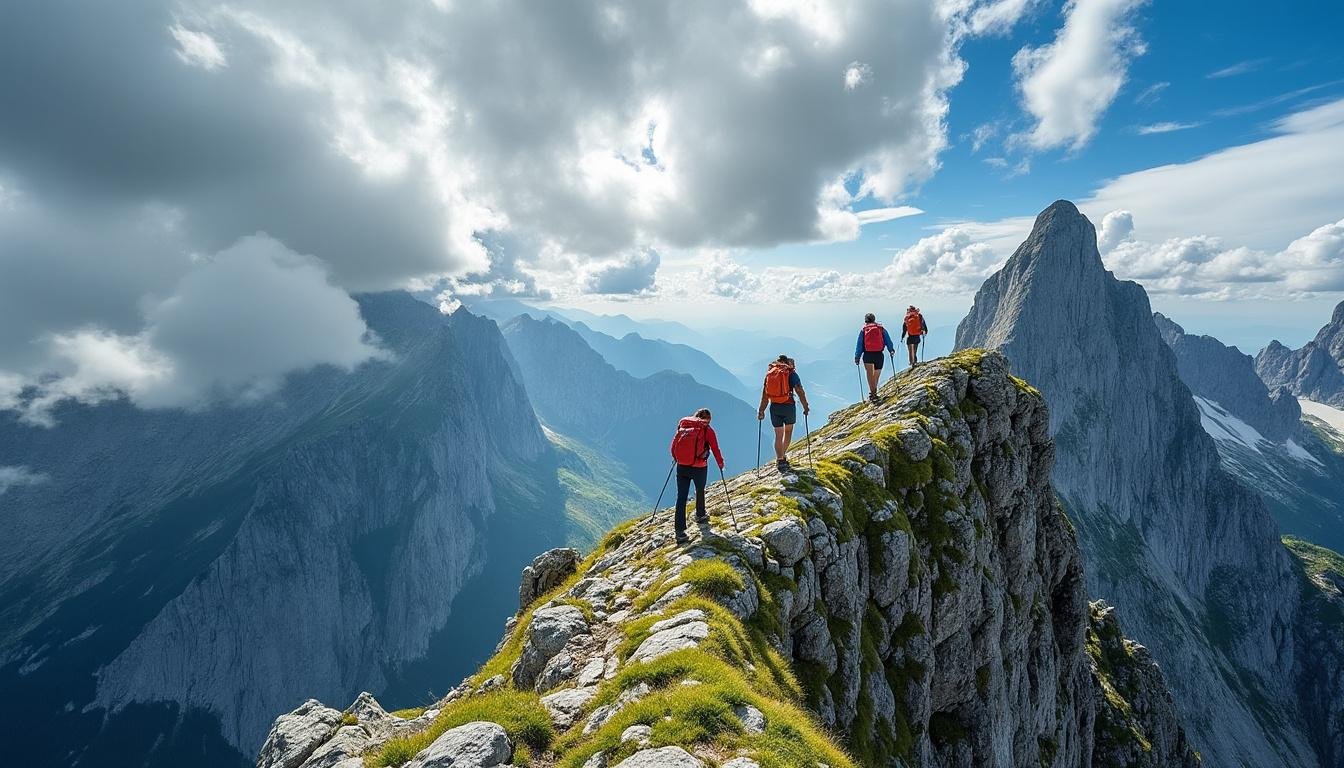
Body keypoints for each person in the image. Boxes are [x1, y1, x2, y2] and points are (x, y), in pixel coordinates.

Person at [668, 408, 725, 544]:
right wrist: (721, 463)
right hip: (699, 467)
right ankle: (700, 515)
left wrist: (677, 458)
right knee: (699, 490)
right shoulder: (707, 430)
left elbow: (673, 447)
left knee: (681, 497)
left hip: (682, 467)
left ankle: (680, 532)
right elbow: (715, 448)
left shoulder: (684, 425)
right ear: (708, 419)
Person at [757, 355, 810, 472]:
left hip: (774, 407)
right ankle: (782, 457)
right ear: (787, 363)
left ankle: (780, 459)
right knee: (788, 432)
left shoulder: (770, 373)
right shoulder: (791, 374)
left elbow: (765, 395)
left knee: (778, 435)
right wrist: (805, 406)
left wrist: (761, 410)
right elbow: (800, 391)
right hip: (788, 406)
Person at [854, 312, 895, 403]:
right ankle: (874, 392)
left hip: (868, 355)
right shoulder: (881, 329)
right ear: (874, 319)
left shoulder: (863, 330)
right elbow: (888, 339)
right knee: (876, 376)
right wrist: (891, 350)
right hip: (879, 355)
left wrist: (857, 357)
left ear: (865, 321)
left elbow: (859, 344)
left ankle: (873, 394)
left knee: (870, 375)